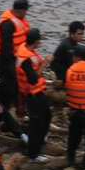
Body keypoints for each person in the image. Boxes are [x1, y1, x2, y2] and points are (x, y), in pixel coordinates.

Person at [13, 29, 53, 162]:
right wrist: (45, 64)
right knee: (37, 123)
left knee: (47, 115)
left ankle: (40, 139)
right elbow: (33, 79)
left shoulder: (24, 48)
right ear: (36, 42)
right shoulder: (26, 59)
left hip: (37, 92)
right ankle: (32, 154)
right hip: (32, 94)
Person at [0, 0, 31, 79]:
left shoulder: (18, 20)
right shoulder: (7, 25)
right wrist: (9, 66)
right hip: (7, 60)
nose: (26, 13)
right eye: (25, 11)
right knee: (7, 83)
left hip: (15, 57)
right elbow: (5, 47)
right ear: (20, 11)